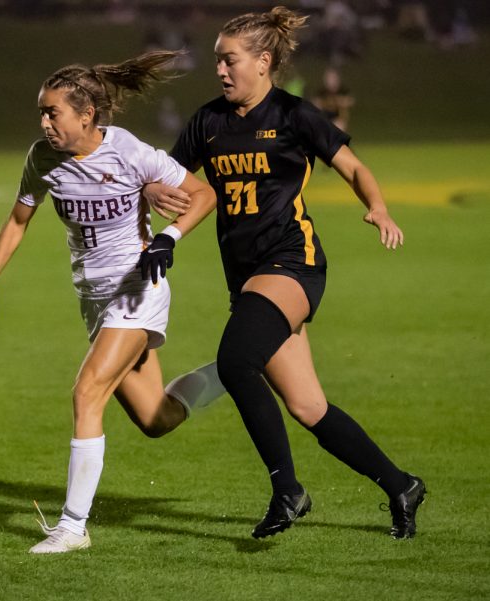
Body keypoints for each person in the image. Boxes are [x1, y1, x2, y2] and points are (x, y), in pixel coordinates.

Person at [144, 6, 426, 540]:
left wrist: (379, 207)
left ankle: (287, 490)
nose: (221, 71)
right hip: (247, 276)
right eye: (217, 62)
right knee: (308, 406)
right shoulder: (207, 122)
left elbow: (354, 167)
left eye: (230, 61)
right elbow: (169, 179)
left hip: (294, 262)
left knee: (235, 360)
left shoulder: (296, 114)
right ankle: (401, 484)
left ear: (263, 61)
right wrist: (153, 191)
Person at [0, 50, 222, 554]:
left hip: (138, 288)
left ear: (86, 115)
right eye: (41, 111)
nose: (43, 121)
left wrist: (169, 237)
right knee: (156, 418)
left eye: (51, 111)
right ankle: (237, 367)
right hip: (96, 300)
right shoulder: (42, 158)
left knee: (86, 394)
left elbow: (202, 194)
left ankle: (72, 527)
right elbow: (17, 220)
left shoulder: (128, 151)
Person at [312, 66, 354, 131]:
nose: (331, 81)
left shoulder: (342, 90)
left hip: (338, 118)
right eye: (329, 78)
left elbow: (350, 101)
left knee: (339, 125)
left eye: (333, 78)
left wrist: (339, 101)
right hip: (324, 118)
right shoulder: (322, 92)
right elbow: (315, 103)